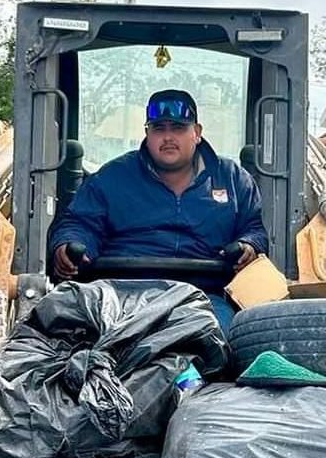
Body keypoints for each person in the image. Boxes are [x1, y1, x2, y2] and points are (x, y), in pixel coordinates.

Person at [47, 89, 268, 332]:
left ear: (197, 133)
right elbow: (79, 223)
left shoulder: (233, 179)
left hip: (205, 296)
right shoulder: (112, 177)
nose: (168, 137)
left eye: (178, 128)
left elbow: (253, 228)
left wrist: (249, 244)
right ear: (147, 133)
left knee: (222, 336)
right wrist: (69, 244)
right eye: (159, 129)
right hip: (122, 293)